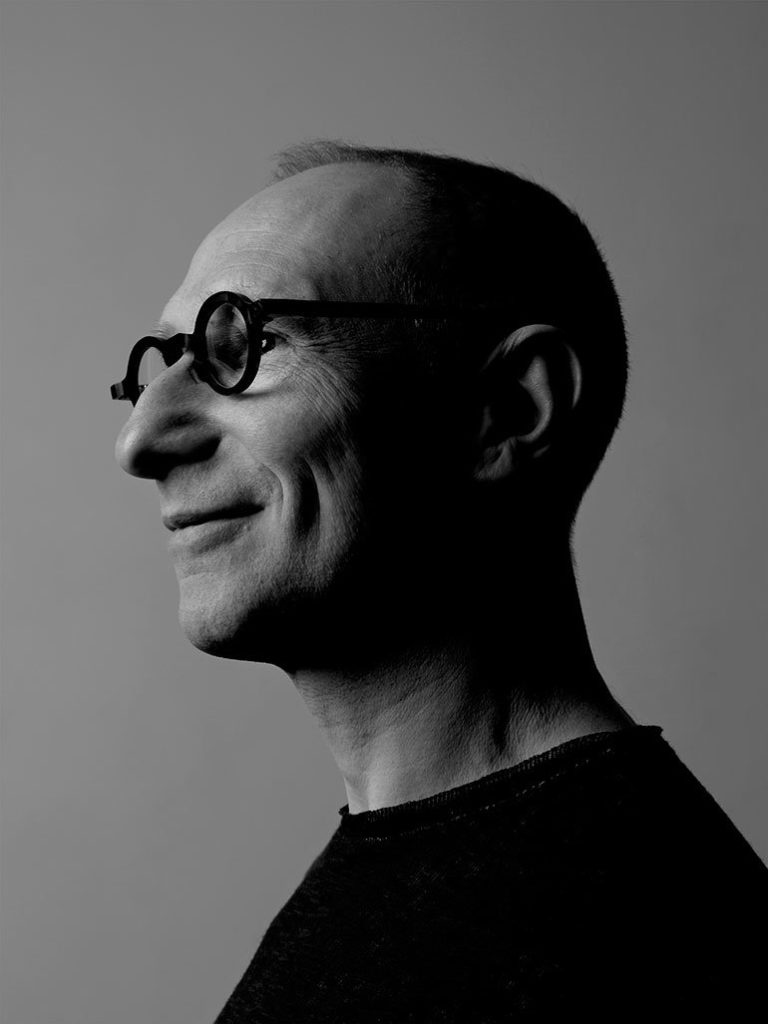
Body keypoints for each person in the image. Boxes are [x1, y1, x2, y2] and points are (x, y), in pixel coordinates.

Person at [112, 141, 767, 1022]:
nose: (140, 442)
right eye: (166, 363)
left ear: (509, 410)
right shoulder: (437, 869)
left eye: (243, 345)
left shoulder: (643, 943)